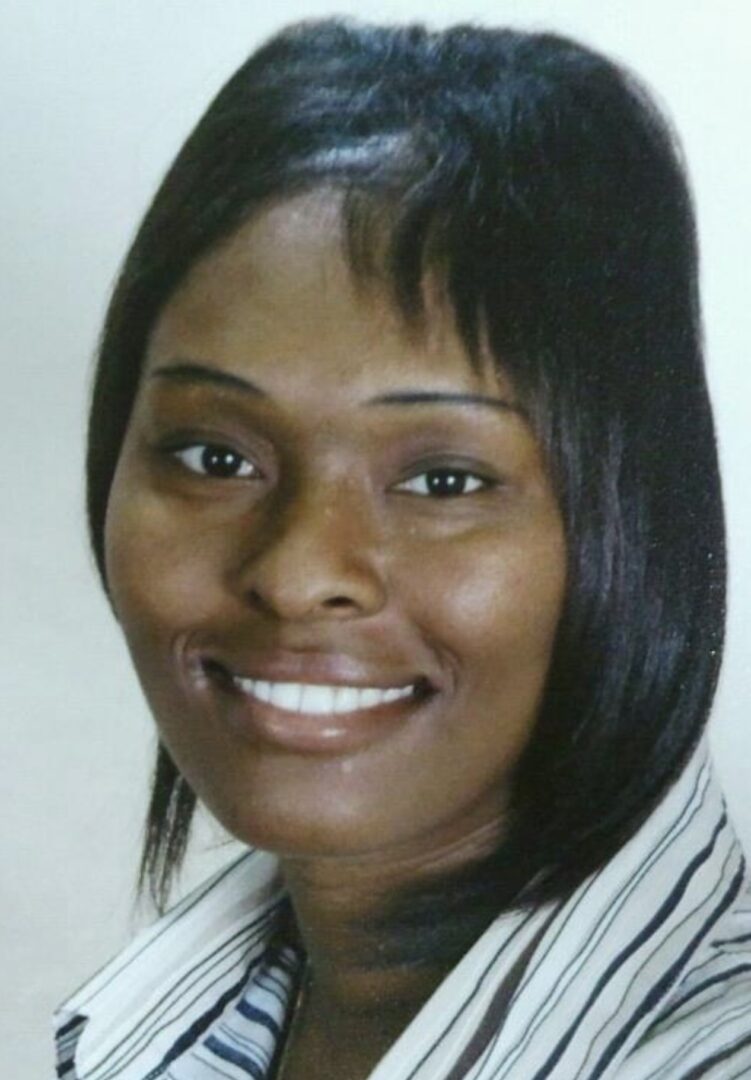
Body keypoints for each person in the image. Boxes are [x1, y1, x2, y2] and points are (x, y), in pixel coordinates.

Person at [54, 18, 751, 1080]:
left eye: (443, 480)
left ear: (630, 520)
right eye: (213, 455)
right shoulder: (145, 1026)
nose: (296, 574)